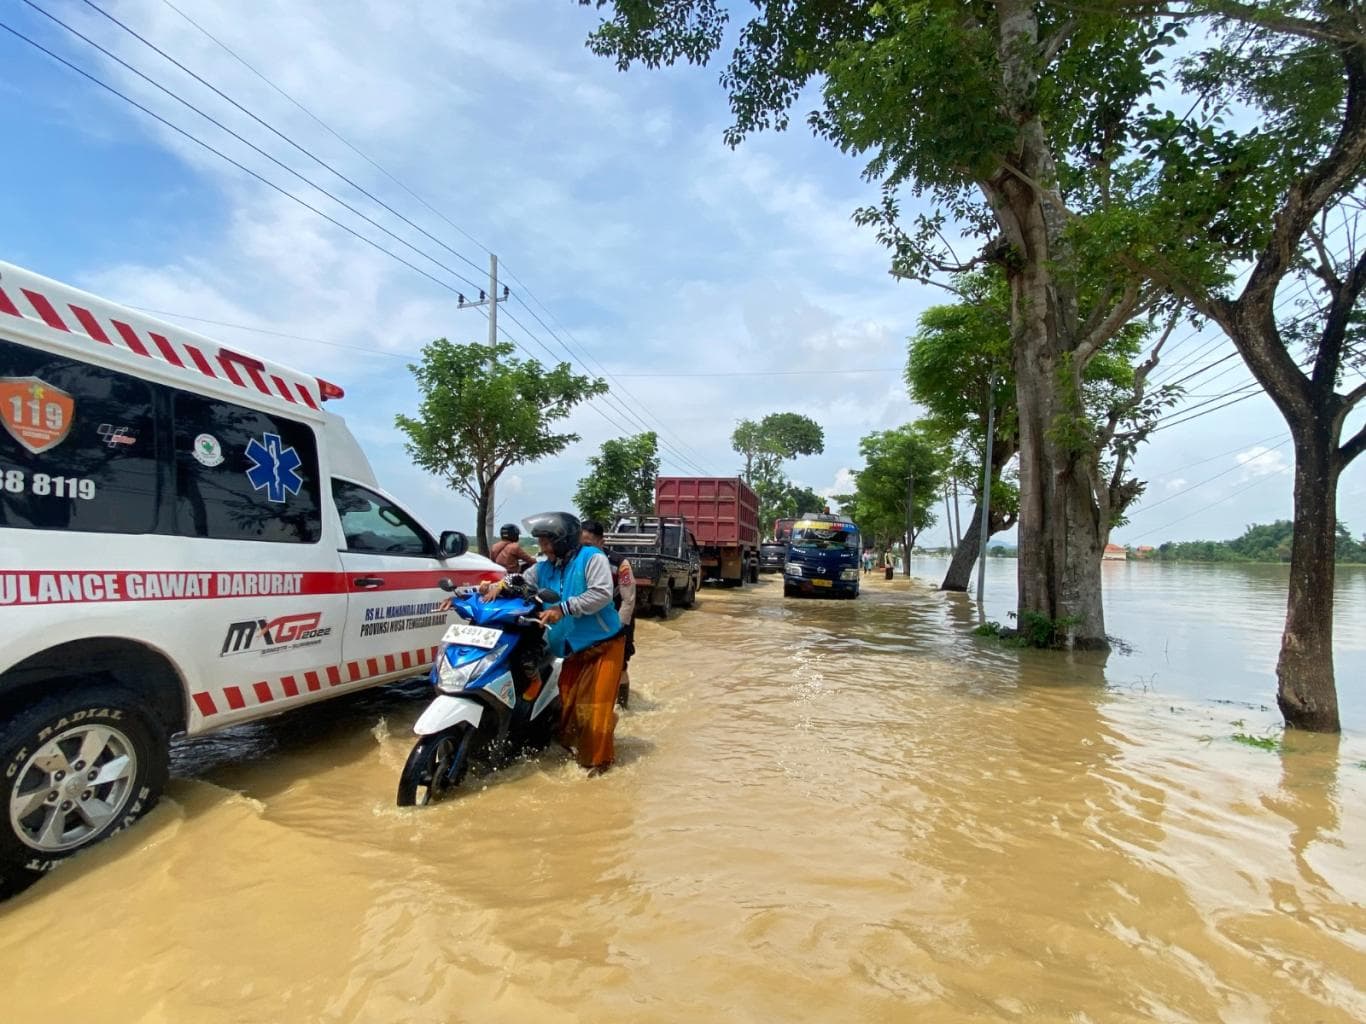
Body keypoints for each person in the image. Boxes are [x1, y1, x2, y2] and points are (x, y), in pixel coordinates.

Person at [480, 512, 625, 774]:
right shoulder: (546, 566)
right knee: (568, 707)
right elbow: (524, 579)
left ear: (564, 540)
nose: (543, 548)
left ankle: (599, 767)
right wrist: (498, 585)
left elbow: (602, 594)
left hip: (604, 644)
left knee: (594, 709)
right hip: (571, 650)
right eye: (541, 542)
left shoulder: (592, 558)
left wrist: (564, 608)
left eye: (547, 542)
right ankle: (578, 754)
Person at [581, 519, 636, 708]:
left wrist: (618, 627)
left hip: (617, 619)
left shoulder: (620, 564)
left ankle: (623, 707)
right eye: (580, 544)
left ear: (601, 543)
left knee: (620, 666)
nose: (584, 549)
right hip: (589, 619)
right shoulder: (576, 561)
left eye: (588, 544)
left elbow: (628, 599)